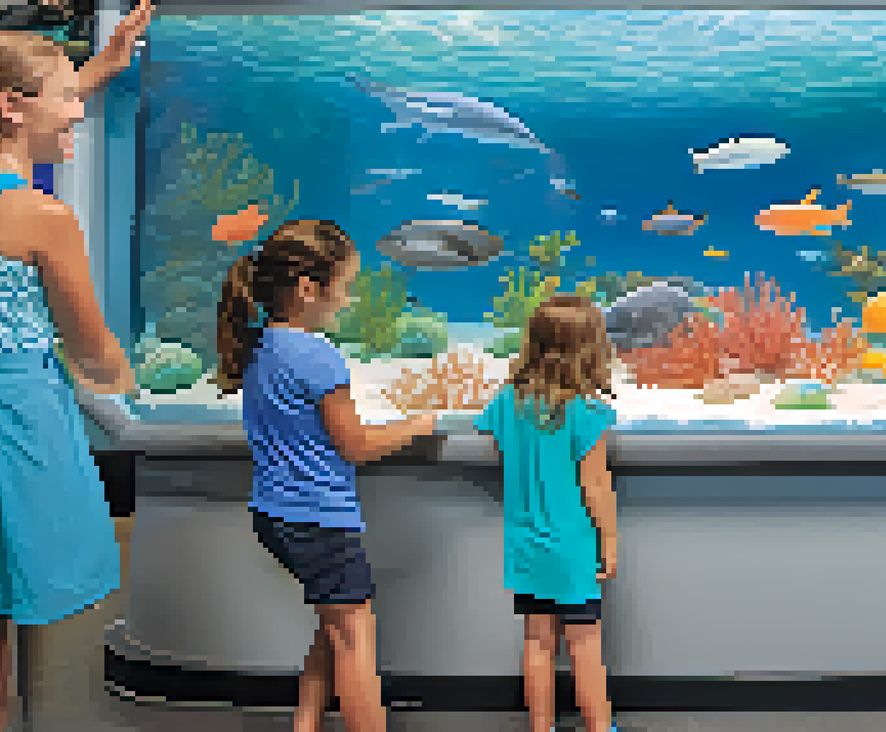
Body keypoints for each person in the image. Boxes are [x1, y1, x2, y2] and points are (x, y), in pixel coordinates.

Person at [0, 2, 156, 732]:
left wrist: (95, 72)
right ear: (13, 108)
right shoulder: (38, 216)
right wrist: (136, 384)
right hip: (6, 432)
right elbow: (91, 350)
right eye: (66, 101)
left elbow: (20, 114)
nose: (76, 114)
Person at [215, 219, 438, 732]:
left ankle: (306, 723)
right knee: (355, 639)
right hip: (319, 521)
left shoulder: (262, 346)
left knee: (331, 624)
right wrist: (418, 425)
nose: (350, 298)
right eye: (346, 286)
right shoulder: (317, 356)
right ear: (309, 288)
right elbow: (355, 445)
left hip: (274, 515)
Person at [474, 295, 621, 732]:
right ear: (591, 349)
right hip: (573, 548)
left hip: (525, 545)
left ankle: (541, 728)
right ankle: (599, 728)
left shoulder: (506, 402)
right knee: (585, 644)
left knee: (538, 643)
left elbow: (500, 448)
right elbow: (595, 486)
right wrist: (609, 542)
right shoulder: (587, 411)